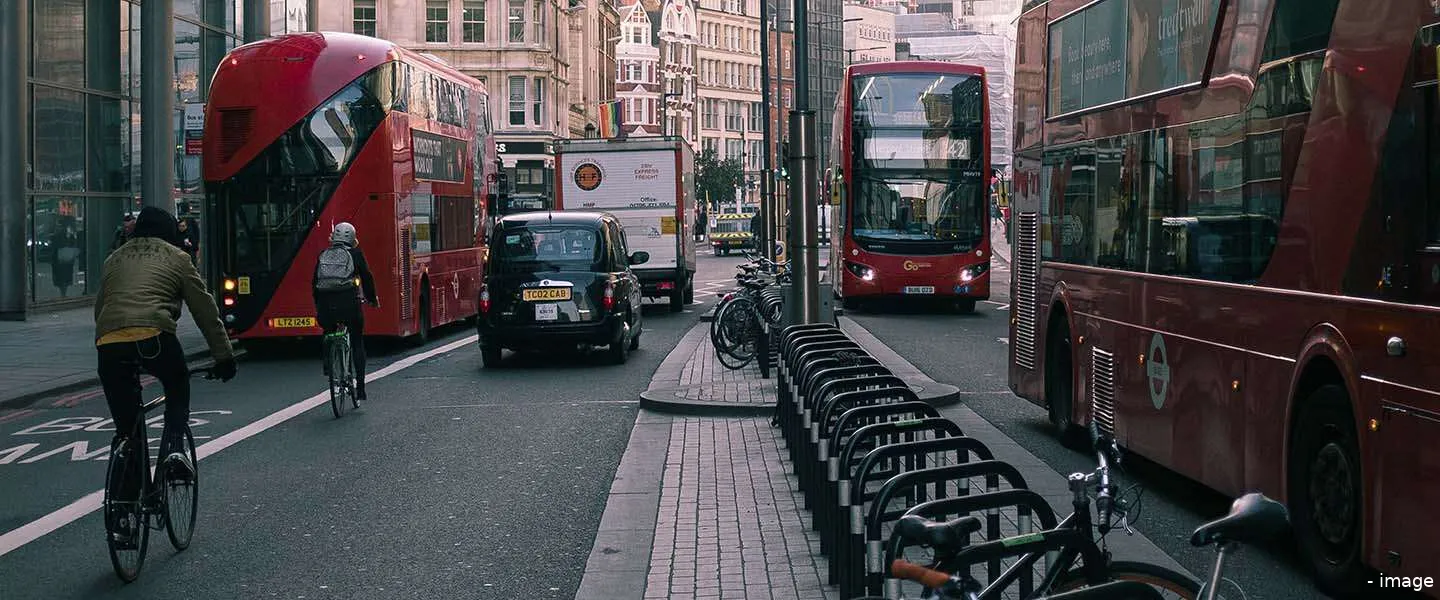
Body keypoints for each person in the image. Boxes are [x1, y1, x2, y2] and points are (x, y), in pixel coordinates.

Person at [94, 207, 236, 539]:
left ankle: (124, 517)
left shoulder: (113, 259)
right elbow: (205, 309)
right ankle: (174, 446)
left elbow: (101, 308)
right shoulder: (178, 257)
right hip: (154, 338)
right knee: (177, 381)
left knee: (127, 431)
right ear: (170, 232)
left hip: (110, 343)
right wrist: (223, 356)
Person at [313, 222, 378, 401]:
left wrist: (318, 306)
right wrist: (372, 299)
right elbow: (367, 276)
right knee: (357, 341)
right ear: (352, 238)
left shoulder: (323, 255)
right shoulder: (355, 254)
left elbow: (315, 284)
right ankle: (362, 388)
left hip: (326, 307)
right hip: (349, 305)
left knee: (328, 331)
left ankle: (328, 363)